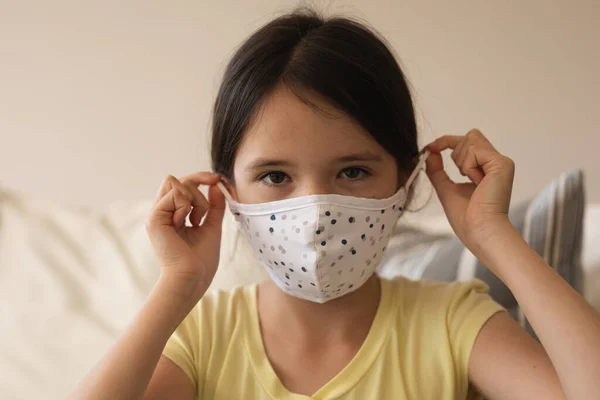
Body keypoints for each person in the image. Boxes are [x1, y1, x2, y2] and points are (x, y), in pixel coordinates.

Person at [70, 8, 600, 400]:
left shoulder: (451, 322)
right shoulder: (204, 335)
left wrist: (492, 233)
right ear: (229, 195)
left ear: (407, 184)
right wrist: (177, 285)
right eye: (275, 175)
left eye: (352, 171)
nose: (316, 210)